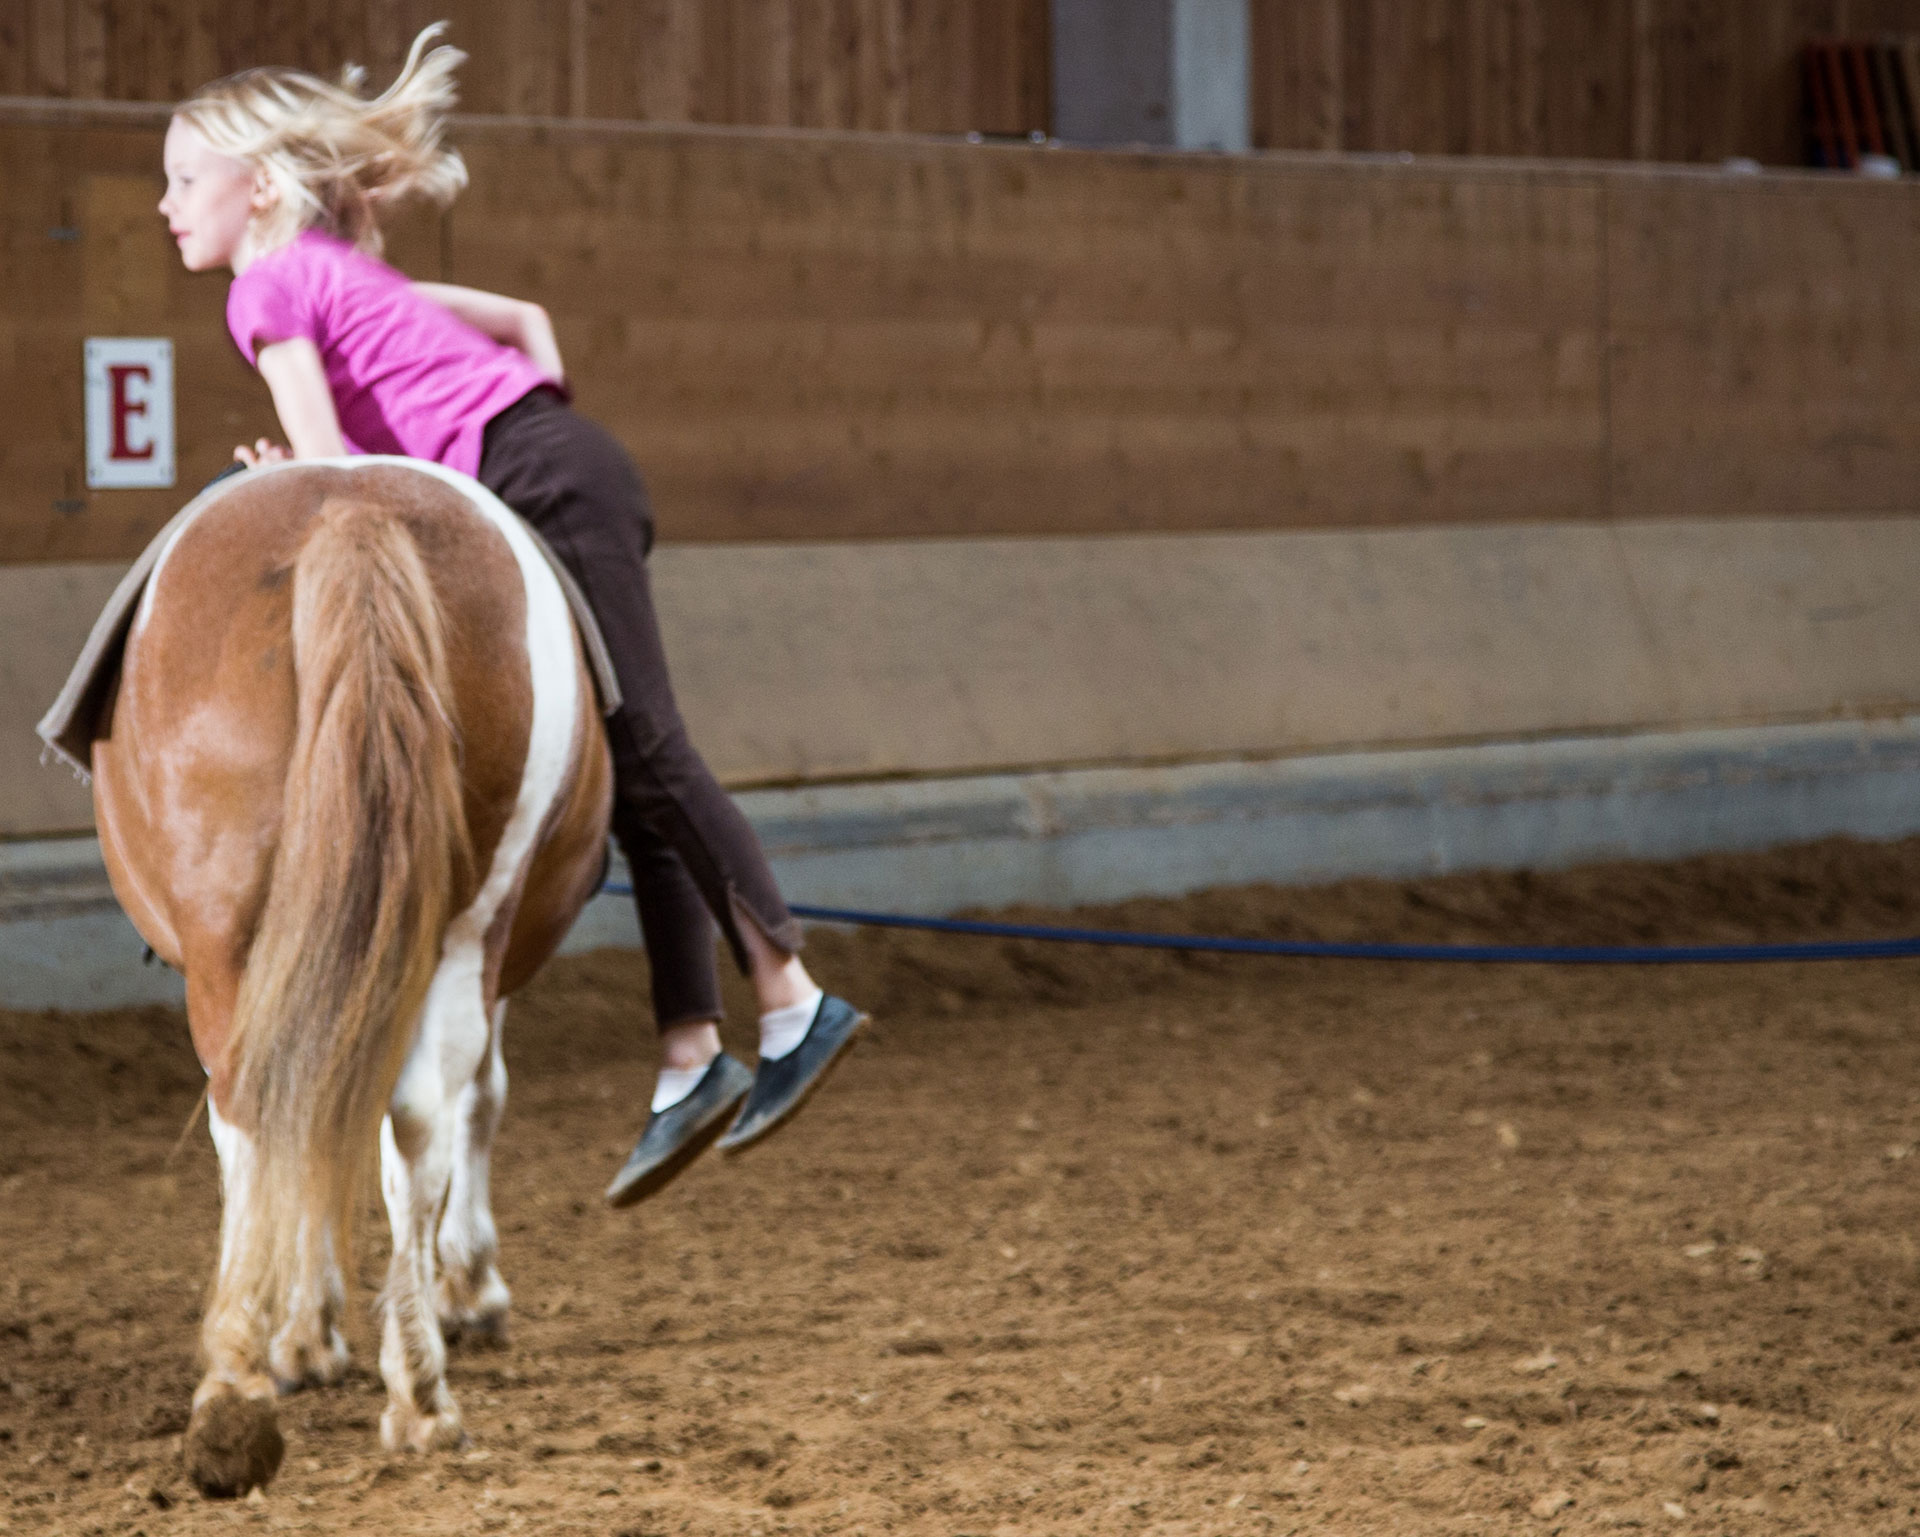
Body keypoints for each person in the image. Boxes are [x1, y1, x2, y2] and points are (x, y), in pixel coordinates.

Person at [156, 24, 865, 1206]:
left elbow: (335, 483)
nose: (169, 206)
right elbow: (528, 323)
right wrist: (530, 431)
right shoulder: (351, 275)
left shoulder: (267, 290)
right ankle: (691, 1052)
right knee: (634, 773)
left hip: (537, 479)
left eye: (185, 179)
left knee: (648, 743)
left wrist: (300, 470)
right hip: (555, 465)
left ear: (262, 187)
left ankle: (792, 997)